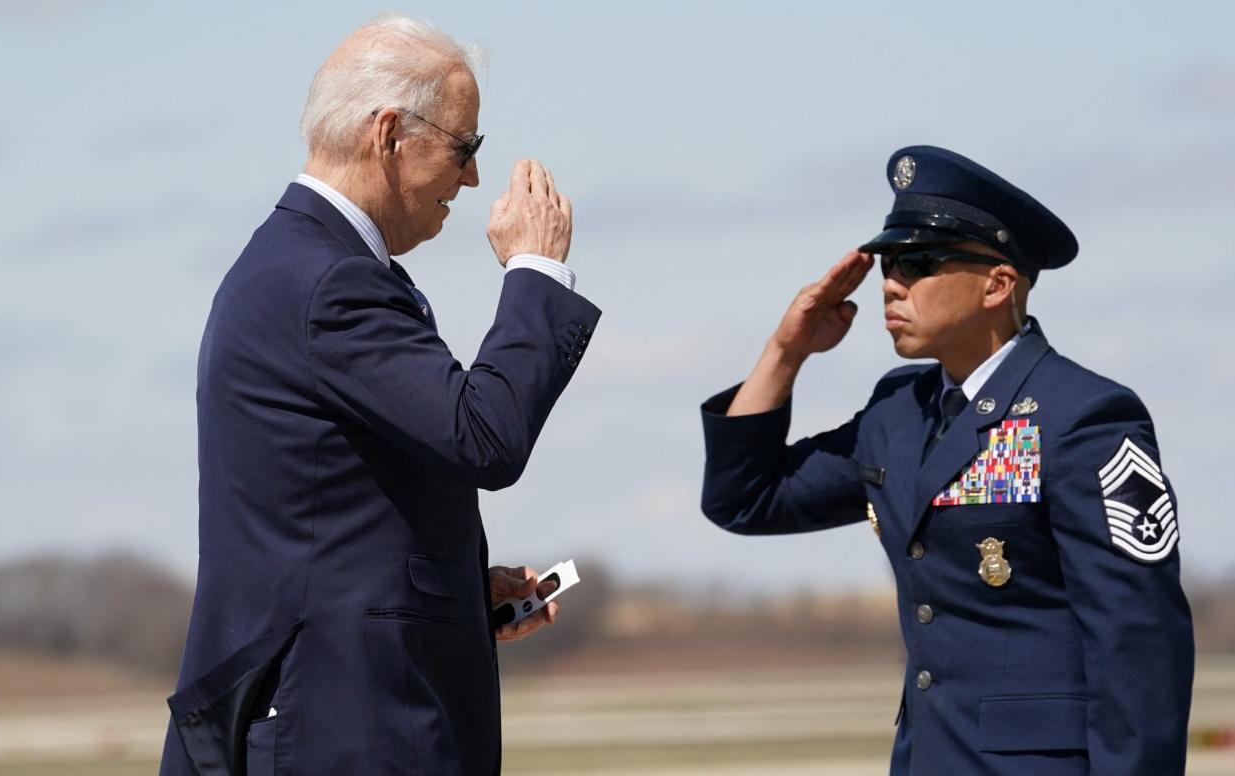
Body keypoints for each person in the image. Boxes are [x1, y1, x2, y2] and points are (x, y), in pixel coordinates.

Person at [159, 14, 600, 776]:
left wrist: (456, 594)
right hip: (338, 722)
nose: (469, 180)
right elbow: (483, 438)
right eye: (467, 149)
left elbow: (333, 515)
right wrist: (535, 273)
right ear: (391, 134)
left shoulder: (304, 264)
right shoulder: (329, 279)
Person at [699, 145, 1193, 774]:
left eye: (918, 262)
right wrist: (785, 351)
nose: (890, 284)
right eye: (887, 264)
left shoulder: (1085, 417)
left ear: (998, 283)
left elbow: (1139, 647)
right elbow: (746, 498)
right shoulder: (898, 413)